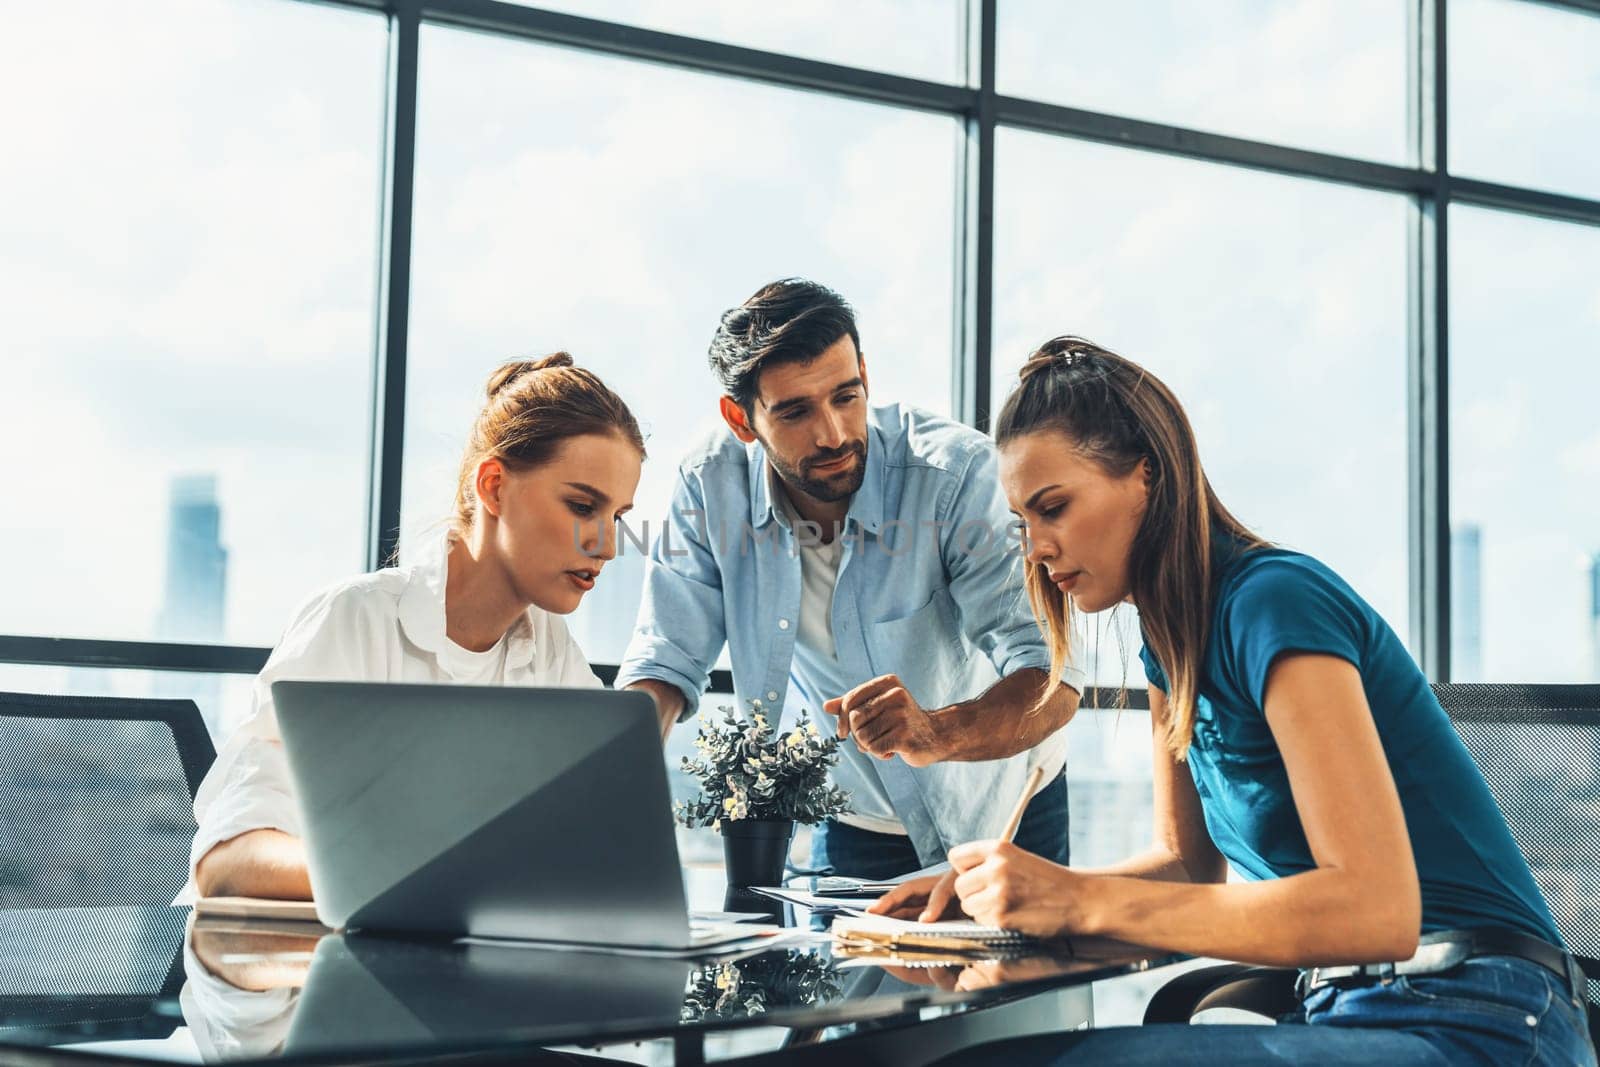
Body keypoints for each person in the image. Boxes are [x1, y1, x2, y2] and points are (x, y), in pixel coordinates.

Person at [875, 337, 1596, 1065]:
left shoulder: (1274, 601)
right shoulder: (1170, 644)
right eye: (1023, 521)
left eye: (1054, 507)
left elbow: (1376, 908)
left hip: (1482, 1017)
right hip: (1347, 1011)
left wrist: (1075, 898)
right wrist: (1009, 896)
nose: (1035, 548)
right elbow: (1187, 868)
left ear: (1146, 476)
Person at [615, 279, 1083, 881]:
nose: (833, 433)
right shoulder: (711, 486)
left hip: (1005, 814)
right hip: (853, 823)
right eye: (794, 411)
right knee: (832, 974)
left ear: (865, 374)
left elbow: (1051, 676)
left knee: (1014, 980)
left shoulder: (957, 476)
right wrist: (612, 780)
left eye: (846, 396)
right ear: (741, 418)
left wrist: (935, 732)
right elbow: (668, 656)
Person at [187, 353, 645, 901]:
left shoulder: (548, 652)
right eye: (581, 505)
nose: (607, 545)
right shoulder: (355, 621)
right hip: (290, 975)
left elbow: (601, 836)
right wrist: (427, 877)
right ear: (495, 487)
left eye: (616, 516)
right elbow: (228, 860)